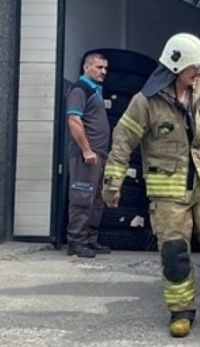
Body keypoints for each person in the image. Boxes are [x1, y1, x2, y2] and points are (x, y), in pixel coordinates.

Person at [102, 33, 200, 338]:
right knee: (174, 253)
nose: (199, 71)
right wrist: (113, 184)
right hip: (168, 192)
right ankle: (181, 310)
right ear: (175, 66)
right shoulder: (145, 102)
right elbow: (122, 142)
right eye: (194, 66)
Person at [65, 52, 111, 259]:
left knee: (96, 199)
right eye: (99, 67)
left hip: (98, 155)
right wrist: (86, 150)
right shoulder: (80, 89)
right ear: (86, 68)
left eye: (105, 68)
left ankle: (90, 239)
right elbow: (74, 121)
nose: (104, 72)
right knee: (82, 198)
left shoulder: (95, 90)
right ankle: (76, 242)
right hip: (86, 156)